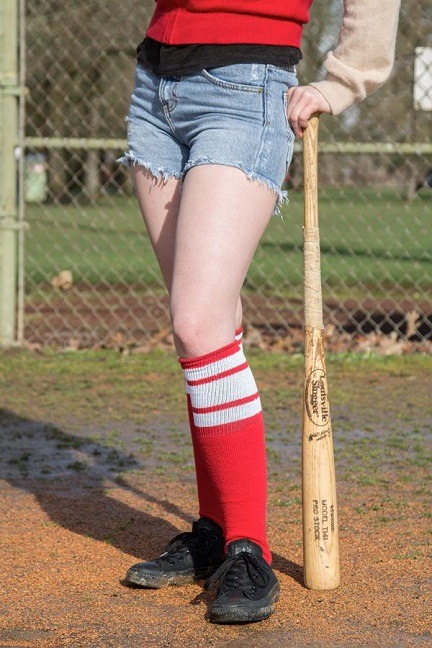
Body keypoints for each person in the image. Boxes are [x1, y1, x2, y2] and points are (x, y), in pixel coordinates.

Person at [119, 0, 401, 624]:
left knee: (198, 322)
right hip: (155, 81)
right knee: (206, 328)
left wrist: (345, 79)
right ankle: (215, 530)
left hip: (245, 84)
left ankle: (249, 549)